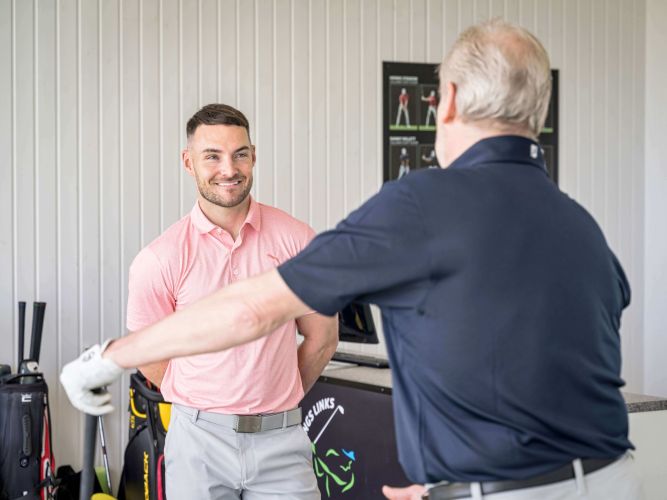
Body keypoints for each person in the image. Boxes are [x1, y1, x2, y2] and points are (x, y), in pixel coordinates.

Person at [61, 20, 643, 500]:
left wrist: (107, 358)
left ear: (452, 103)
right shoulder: (579, 223)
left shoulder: (423, 202)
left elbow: (250, 312)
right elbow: (550, 357)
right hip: (612, 479)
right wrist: (456, 484)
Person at [121, 103, 338, 499]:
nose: (228, 169)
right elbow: (146, 351)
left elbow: (322, 336)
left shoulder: (298, 241)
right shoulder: (160, 259)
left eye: (240, 154)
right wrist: (198, 402)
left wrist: (280, 397)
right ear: (189, 163)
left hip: (282, 443)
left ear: (253, 156)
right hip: (198, 444)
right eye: (212, 156)